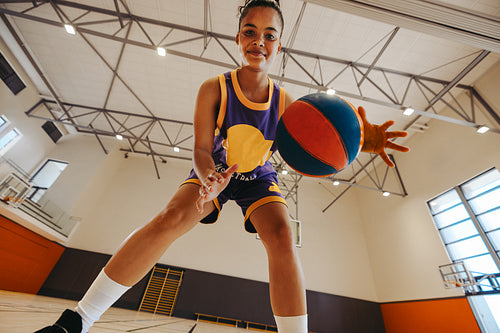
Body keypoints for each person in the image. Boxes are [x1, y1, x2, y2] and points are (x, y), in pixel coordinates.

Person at [36, 1, 409, 332]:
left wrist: (359, 141)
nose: (258, 41)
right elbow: (200, 148)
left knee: (281, 237)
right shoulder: (213, 88)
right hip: (213, 167)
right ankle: (77, 321)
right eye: (250, 32)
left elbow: (316, 144)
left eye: (269, 34)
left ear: (279, 45)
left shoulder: (287, 105)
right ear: (238, 38)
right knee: (169, 218)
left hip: (258, 176)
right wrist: (208, 178)